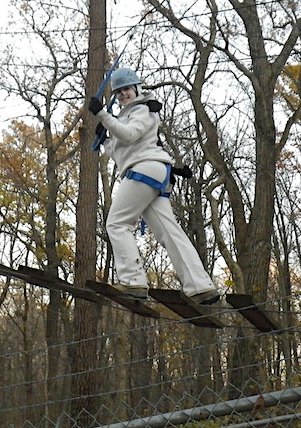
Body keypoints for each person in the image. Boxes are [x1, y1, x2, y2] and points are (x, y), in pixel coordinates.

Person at [87, 67, 219, 305]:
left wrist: (104, 117)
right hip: (151, 172)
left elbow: (129, 135)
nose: (122, 95)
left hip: (145, 170)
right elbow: (123, 153)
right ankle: (200, 286)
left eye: (126, 89)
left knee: (117, 223)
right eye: (118, 92)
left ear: (137, 88)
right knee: (168, 231)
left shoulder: (142, 109)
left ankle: (133, 281)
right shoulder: (126, 116)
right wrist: (106, 140)